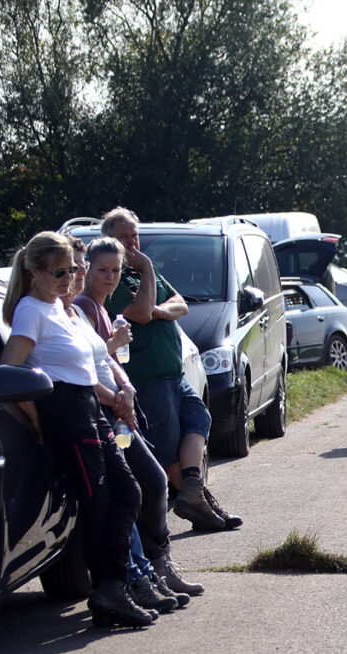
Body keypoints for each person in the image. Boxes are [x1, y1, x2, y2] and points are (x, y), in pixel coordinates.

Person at [0, 231, 152, 627]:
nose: (68, 280)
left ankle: (114, 586)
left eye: (71, 270)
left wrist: (115, 394)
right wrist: (36, 420)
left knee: (128, 491)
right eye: (58, 273)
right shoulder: (32, 309)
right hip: (66, 412)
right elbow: (10, 371)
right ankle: (109, 590)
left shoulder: (58, 308)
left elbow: (83, 369)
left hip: (91, 409)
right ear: (34, 273)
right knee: (97, 503)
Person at [73, 236, 203, 602]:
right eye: (101, 270)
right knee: (141, 486)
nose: (110, 277)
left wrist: (125, 387)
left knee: (147, 484)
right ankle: (142, 573)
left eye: (115, 270)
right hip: (103, 418)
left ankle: (152, 568)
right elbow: (84, 368)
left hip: (120, 415)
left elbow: (107, 361)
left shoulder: (95, 307)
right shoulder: (83, 306)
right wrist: (117, 390)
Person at [99, 207, 242, 536]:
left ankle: (195, 495)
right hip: (147, 378)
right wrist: (149, 279)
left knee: (199, 419)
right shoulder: (115, 277)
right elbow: (139, 312)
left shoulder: (144, 271)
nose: (132, 242)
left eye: (134, 234)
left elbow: (180, 304)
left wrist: (158, 307)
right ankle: (200, 504)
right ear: (108, 239)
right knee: (166, 446)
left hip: (172, 372)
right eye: (124, 236)